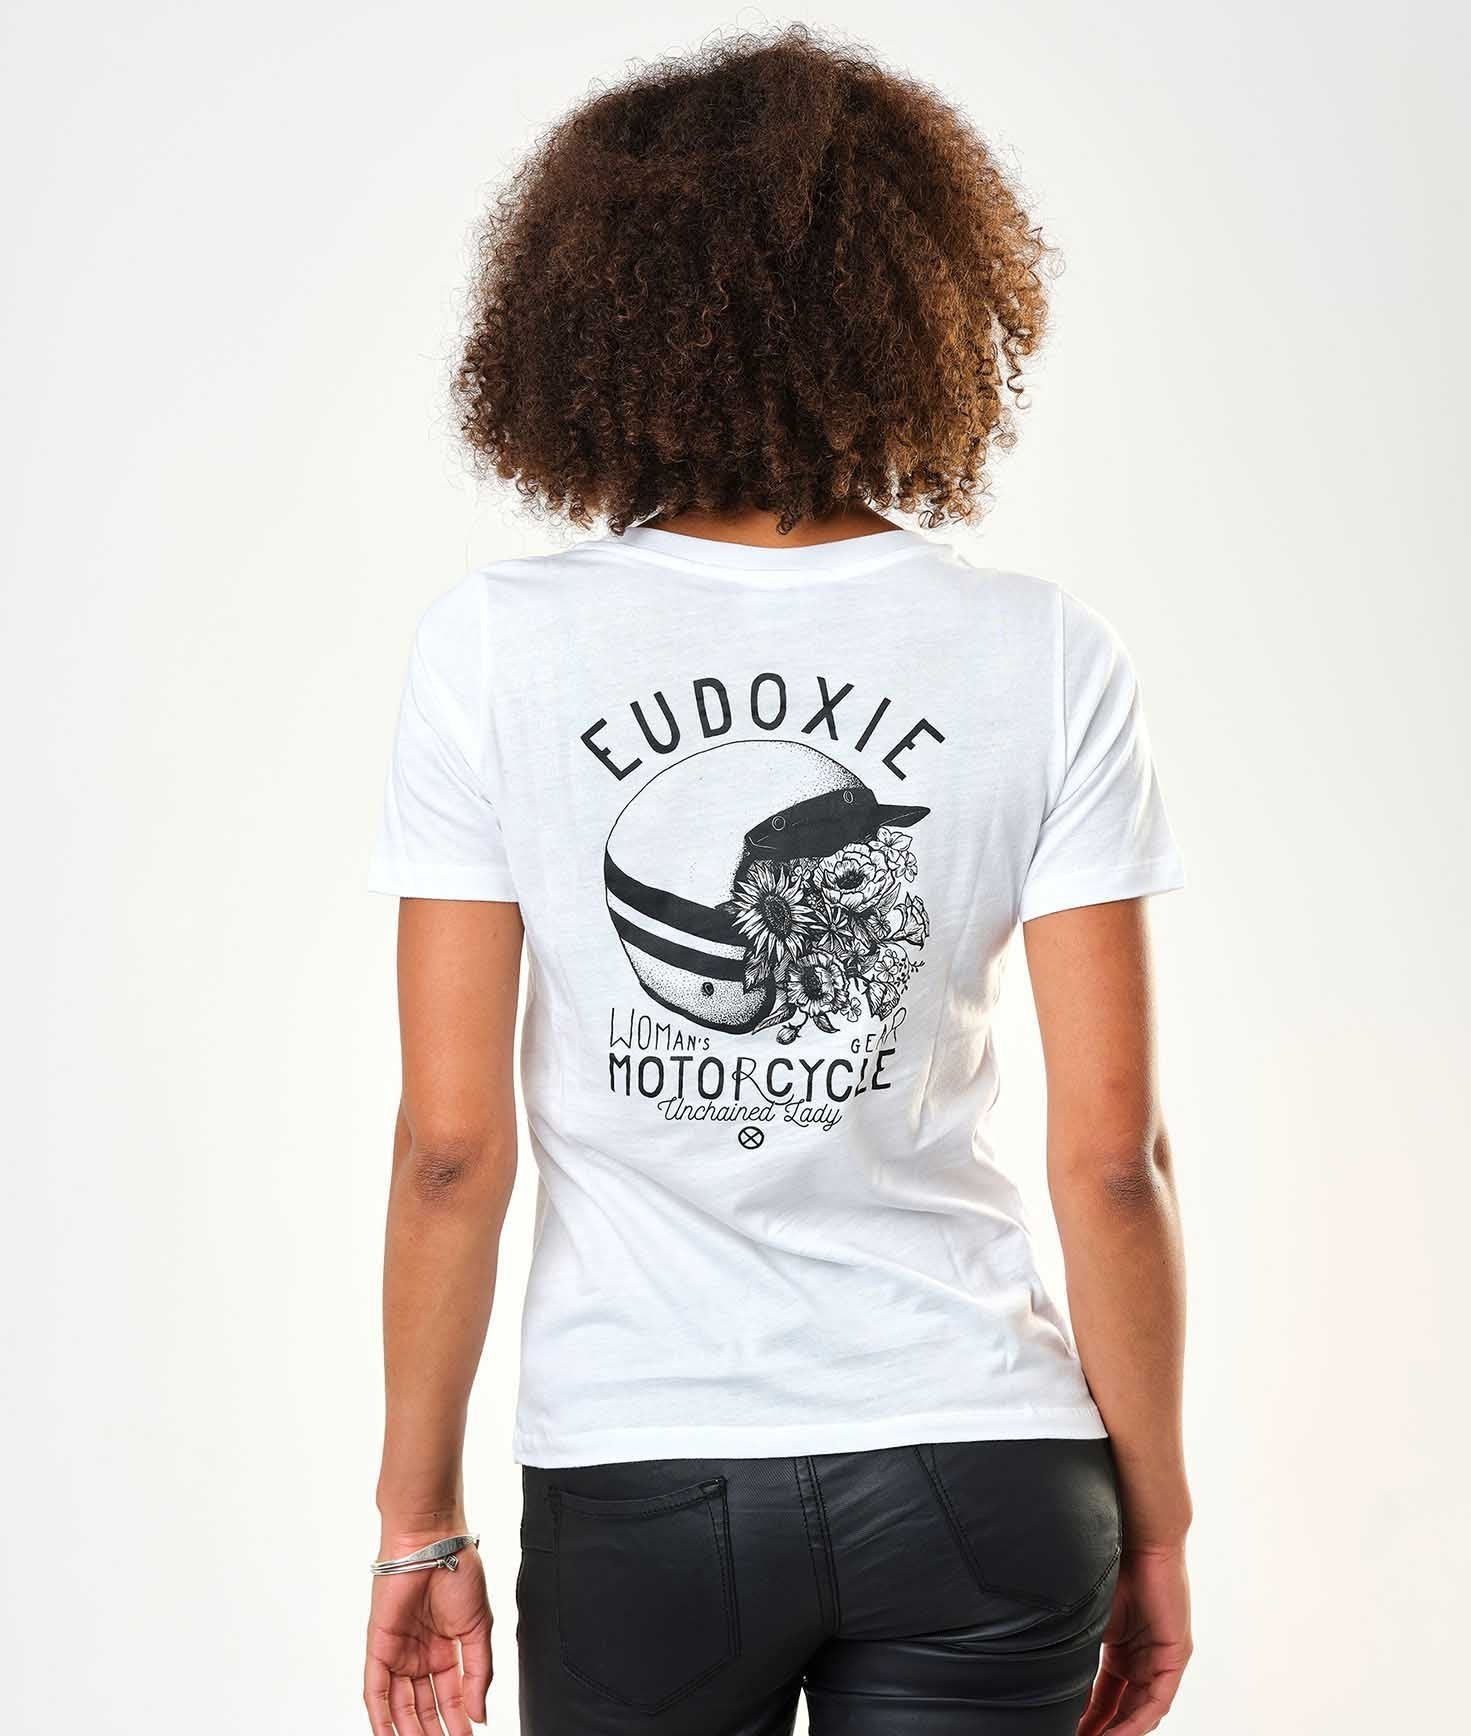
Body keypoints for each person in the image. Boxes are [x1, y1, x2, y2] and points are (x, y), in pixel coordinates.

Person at [363, 26, 1192, 1736]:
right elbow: (1115, 1161)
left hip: (643, 1474)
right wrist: (1159, 1517)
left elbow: (450, 1148)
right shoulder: (1040, 654)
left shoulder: (497, 652)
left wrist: (415, 1516)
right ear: (921, 307)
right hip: (986, 1468)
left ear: (586, 322)